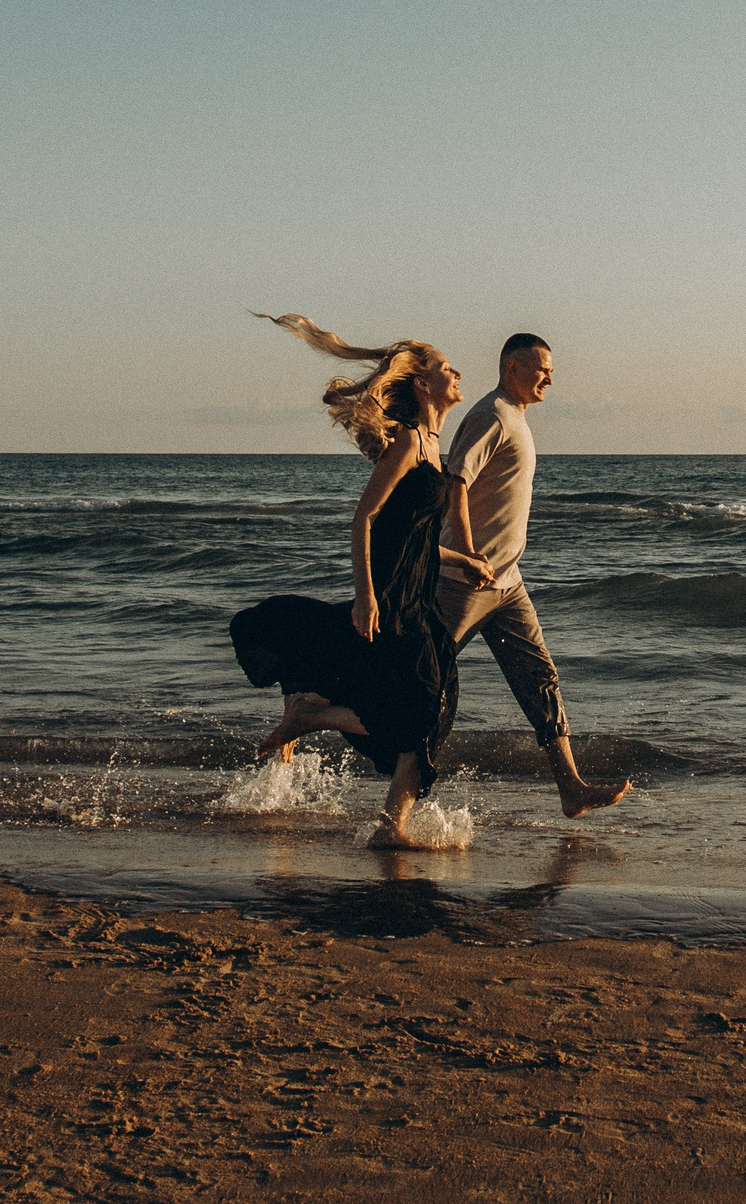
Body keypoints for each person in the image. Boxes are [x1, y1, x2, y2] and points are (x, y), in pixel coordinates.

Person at [225, 314, 497, 850]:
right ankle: (314, 717)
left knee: (434, 713)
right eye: (447, 368)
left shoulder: (432, 448)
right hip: (393, 599)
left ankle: (389, 826)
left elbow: (410, 536)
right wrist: (367, 596)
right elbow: (365, 520)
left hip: (419, 596)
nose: (458, 372)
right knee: (420, 708)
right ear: (423, 385)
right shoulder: (408, 444)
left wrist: (457, 561)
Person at [440, 333, 631, 818]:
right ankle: (311, 712)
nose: (550, 376)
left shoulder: (514, 417)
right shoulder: (491, 415)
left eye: (550, 369)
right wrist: (465, 553)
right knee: (414, 675)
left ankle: (571, 788)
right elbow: (455, 482)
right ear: (512, 369)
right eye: (542, 368)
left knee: (539, 678)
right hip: (466, 583)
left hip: (507, 584)